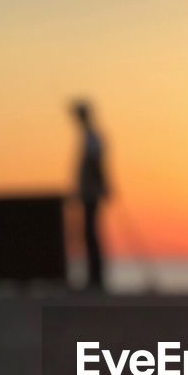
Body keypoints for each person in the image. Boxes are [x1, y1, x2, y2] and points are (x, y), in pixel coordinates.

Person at [71, 100, 111, 290]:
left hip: (91, 192)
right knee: (89, 233)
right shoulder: (90, 136)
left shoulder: (91, 137)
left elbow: (96, 164)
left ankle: (95, 278)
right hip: (89, 191)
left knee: (90, 233)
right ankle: (94, 277)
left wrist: (102, 186)